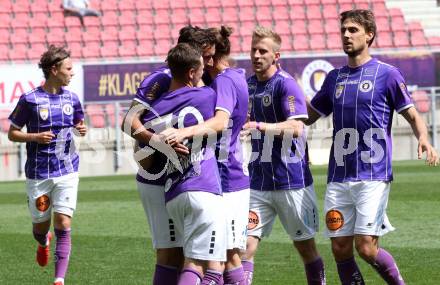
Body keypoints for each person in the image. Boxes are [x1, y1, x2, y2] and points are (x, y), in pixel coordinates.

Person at [305, 9, 439, 285]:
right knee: (340, 248)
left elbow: (412, 114)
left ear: (369, 35)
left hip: (372, 175)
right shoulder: (334, 78)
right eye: (343, 30)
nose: (346, 35)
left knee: (365, 247)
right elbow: (308, 116)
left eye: (353, 30)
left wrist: (424, 138)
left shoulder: (387, 74)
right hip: (338, 177)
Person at [121, 26, 217, 285]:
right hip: (155, 176)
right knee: (171, 253)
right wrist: (158, 141)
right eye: (206, 57)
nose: (210, 62)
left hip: (181, 176)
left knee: (188, 253)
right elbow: (129, 121)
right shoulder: (161, 79)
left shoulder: (204, 80)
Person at [161, 26, 250, 285]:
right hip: (222, 175)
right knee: (218, 259)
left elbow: (221, 121)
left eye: (207, 56)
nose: (204, 62)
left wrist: (183, 132)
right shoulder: (235, 77)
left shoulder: (222, 82)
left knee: (226, 258)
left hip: (227, 175)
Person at [241, 26, 326, 285]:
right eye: (253, 50)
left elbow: (296, 127)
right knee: (244, 247)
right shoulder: (249, 85)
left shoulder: (286, 84)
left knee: (306, 249)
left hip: (292, 182)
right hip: (259, 183)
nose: (256, 55)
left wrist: (259, 126)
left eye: (263, 51)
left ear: (277, 55)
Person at [140, 42, 226, 285]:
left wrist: (161, 145)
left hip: (173, 194)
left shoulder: (155, 110)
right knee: (204, 266)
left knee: (194, 260)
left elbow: (143, 159)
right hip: (203, 188)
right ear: (191, 73)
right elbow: (225, 118)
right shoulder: (208, 96)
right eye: (201, 68)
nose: (205, 72)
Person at [8, 45, 86, 285]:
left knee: (63, 221)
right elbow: (12, 133)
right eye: (68, 68)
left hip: (67, 170)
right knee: (40, 229)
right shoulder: (30, 99)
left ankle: (59, 280)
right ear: (54, 70)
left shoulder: (71, 98)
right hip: (39, 174)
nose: (72, 73)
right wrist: (35, 137)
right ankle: (43, 242)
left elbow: (79, 121)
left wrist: (81, 128)